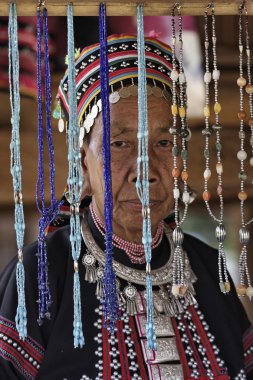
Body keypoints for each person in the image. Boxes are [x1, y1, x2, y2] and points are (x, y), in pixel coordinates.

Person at [0, 34, 252, 380]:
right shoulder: (40, 276)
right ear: (82, 165)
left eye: (163, 143)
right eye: (118, 143)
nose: (145, 170)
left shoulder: (209, 268)